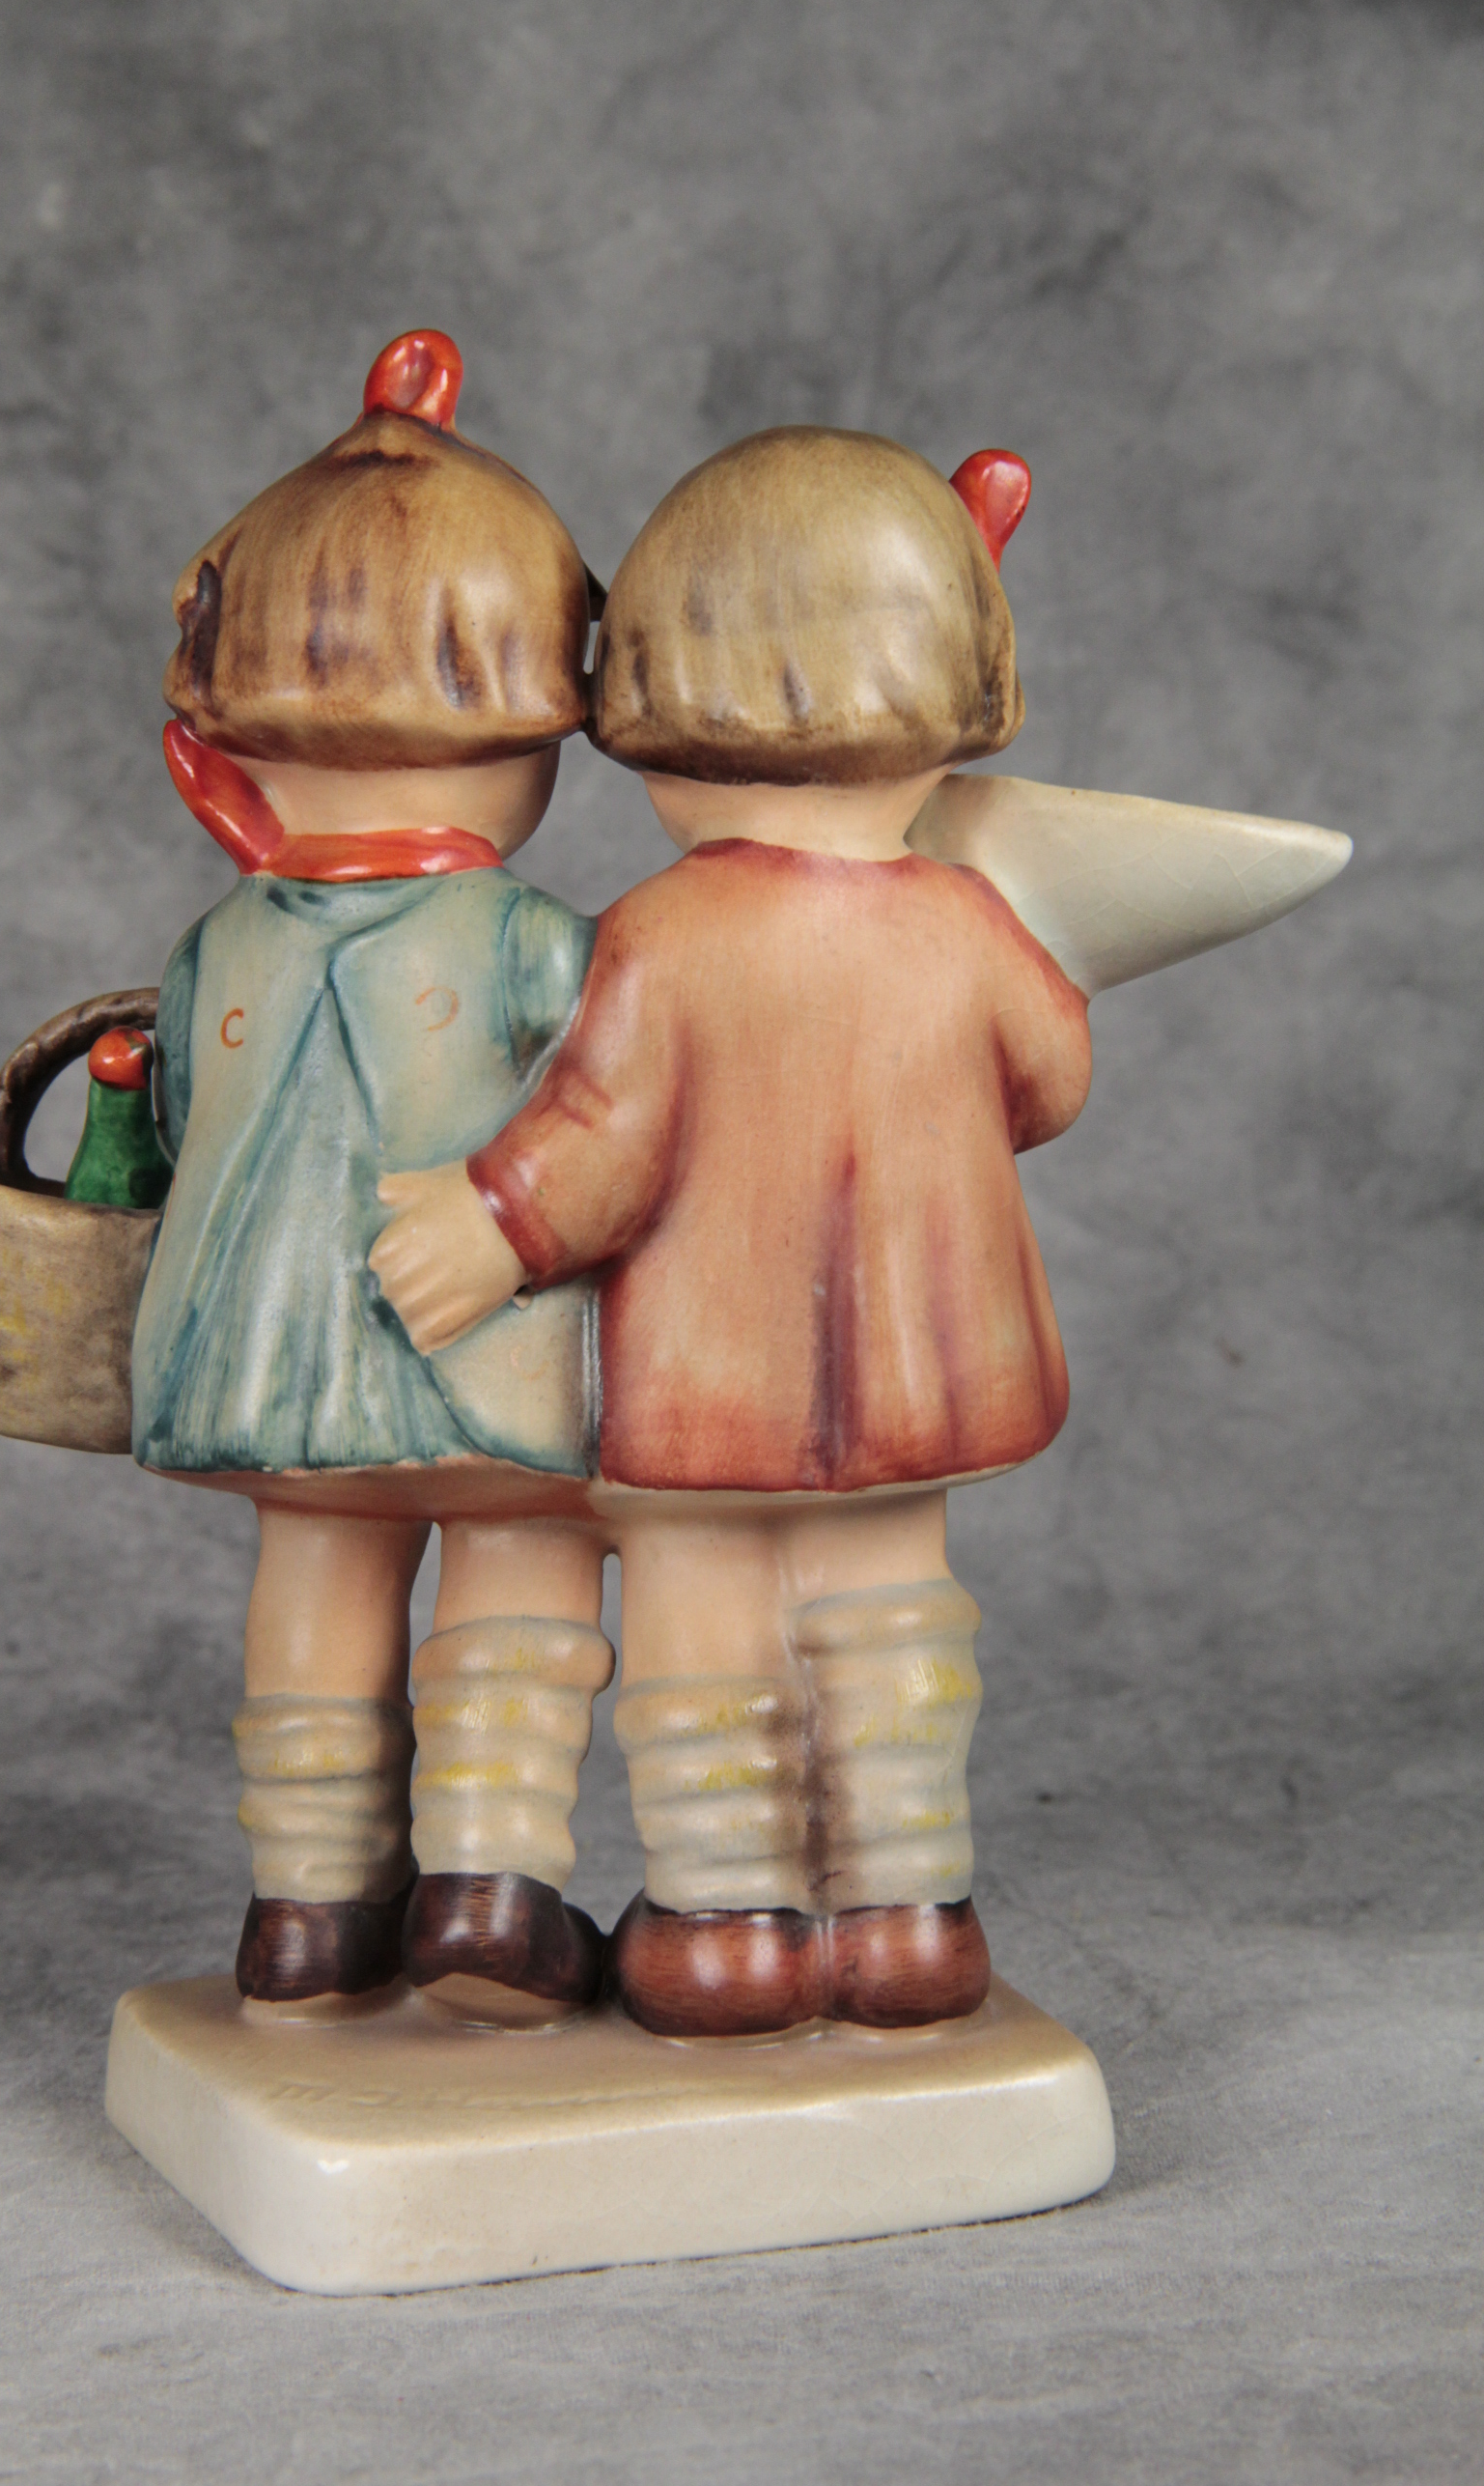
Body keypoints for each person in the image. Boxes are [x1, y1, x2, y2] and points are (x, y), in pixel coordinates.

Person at [371, 426, 1094, 2035]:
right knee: (893, 1625)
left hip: (706, 1383)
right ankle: (908, 1915)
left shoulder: (665, 931)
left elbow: (600, 1143)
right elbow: (1052, 1082)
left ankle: (726, 1925)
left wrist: (488, 1223)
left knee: (703, 1641)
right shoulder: (970, 926)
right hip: (933, 1368)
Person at [132, 331, 613, 2020]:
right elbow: (620, 1113)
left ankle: (308, 1903)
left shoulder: (217, 945)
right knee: (526, 1552)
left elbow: (174, 1114)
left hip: (253, 1353)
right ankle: (489, 1880)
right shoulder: (536, 941)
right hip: (483, 1351)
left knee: (317, 1574)